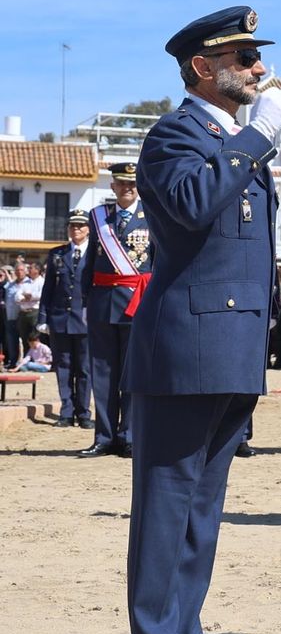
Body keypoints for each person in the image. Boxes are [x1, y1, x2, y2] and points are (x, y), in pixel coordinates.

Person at [123, 4, 281, 634]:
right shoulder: (175, 135)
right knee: (166, 503)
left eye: (257, 55)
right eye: (245, 56)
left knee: (202, 505)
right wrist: (255, 137)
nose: (259, 67)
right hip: (186, 342)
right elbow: (193, 204)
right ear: (203, 66)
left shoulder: (232, 139)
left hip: (233, 341)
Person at [80, 162, 152, 459]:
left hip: (137, 302)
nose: (127, 188)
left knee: (132, 373)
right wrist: (85, 302)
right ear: (112, 186)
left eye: (132, 184)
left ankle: (129, 435)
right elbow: (88, 265)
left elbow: (159, 263)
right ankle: (104, 436)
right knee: (103, 373)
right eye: (122, 183)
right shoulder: (98, 217)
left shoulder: (152, 216)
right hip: (102, 302)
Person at [39, 209, 93, 428]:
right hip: (60, 319)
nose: (76, 229)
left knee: (84, 369)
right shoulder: (57, 254)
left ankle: (84, 413)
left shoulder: (95, 254)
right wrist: (42, 317)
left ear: (88, 229)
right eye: (72, 225)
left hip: (86, 321)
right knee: (63, 367)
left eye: (80, 225)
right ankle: (66, 412)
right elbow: (48, 288)